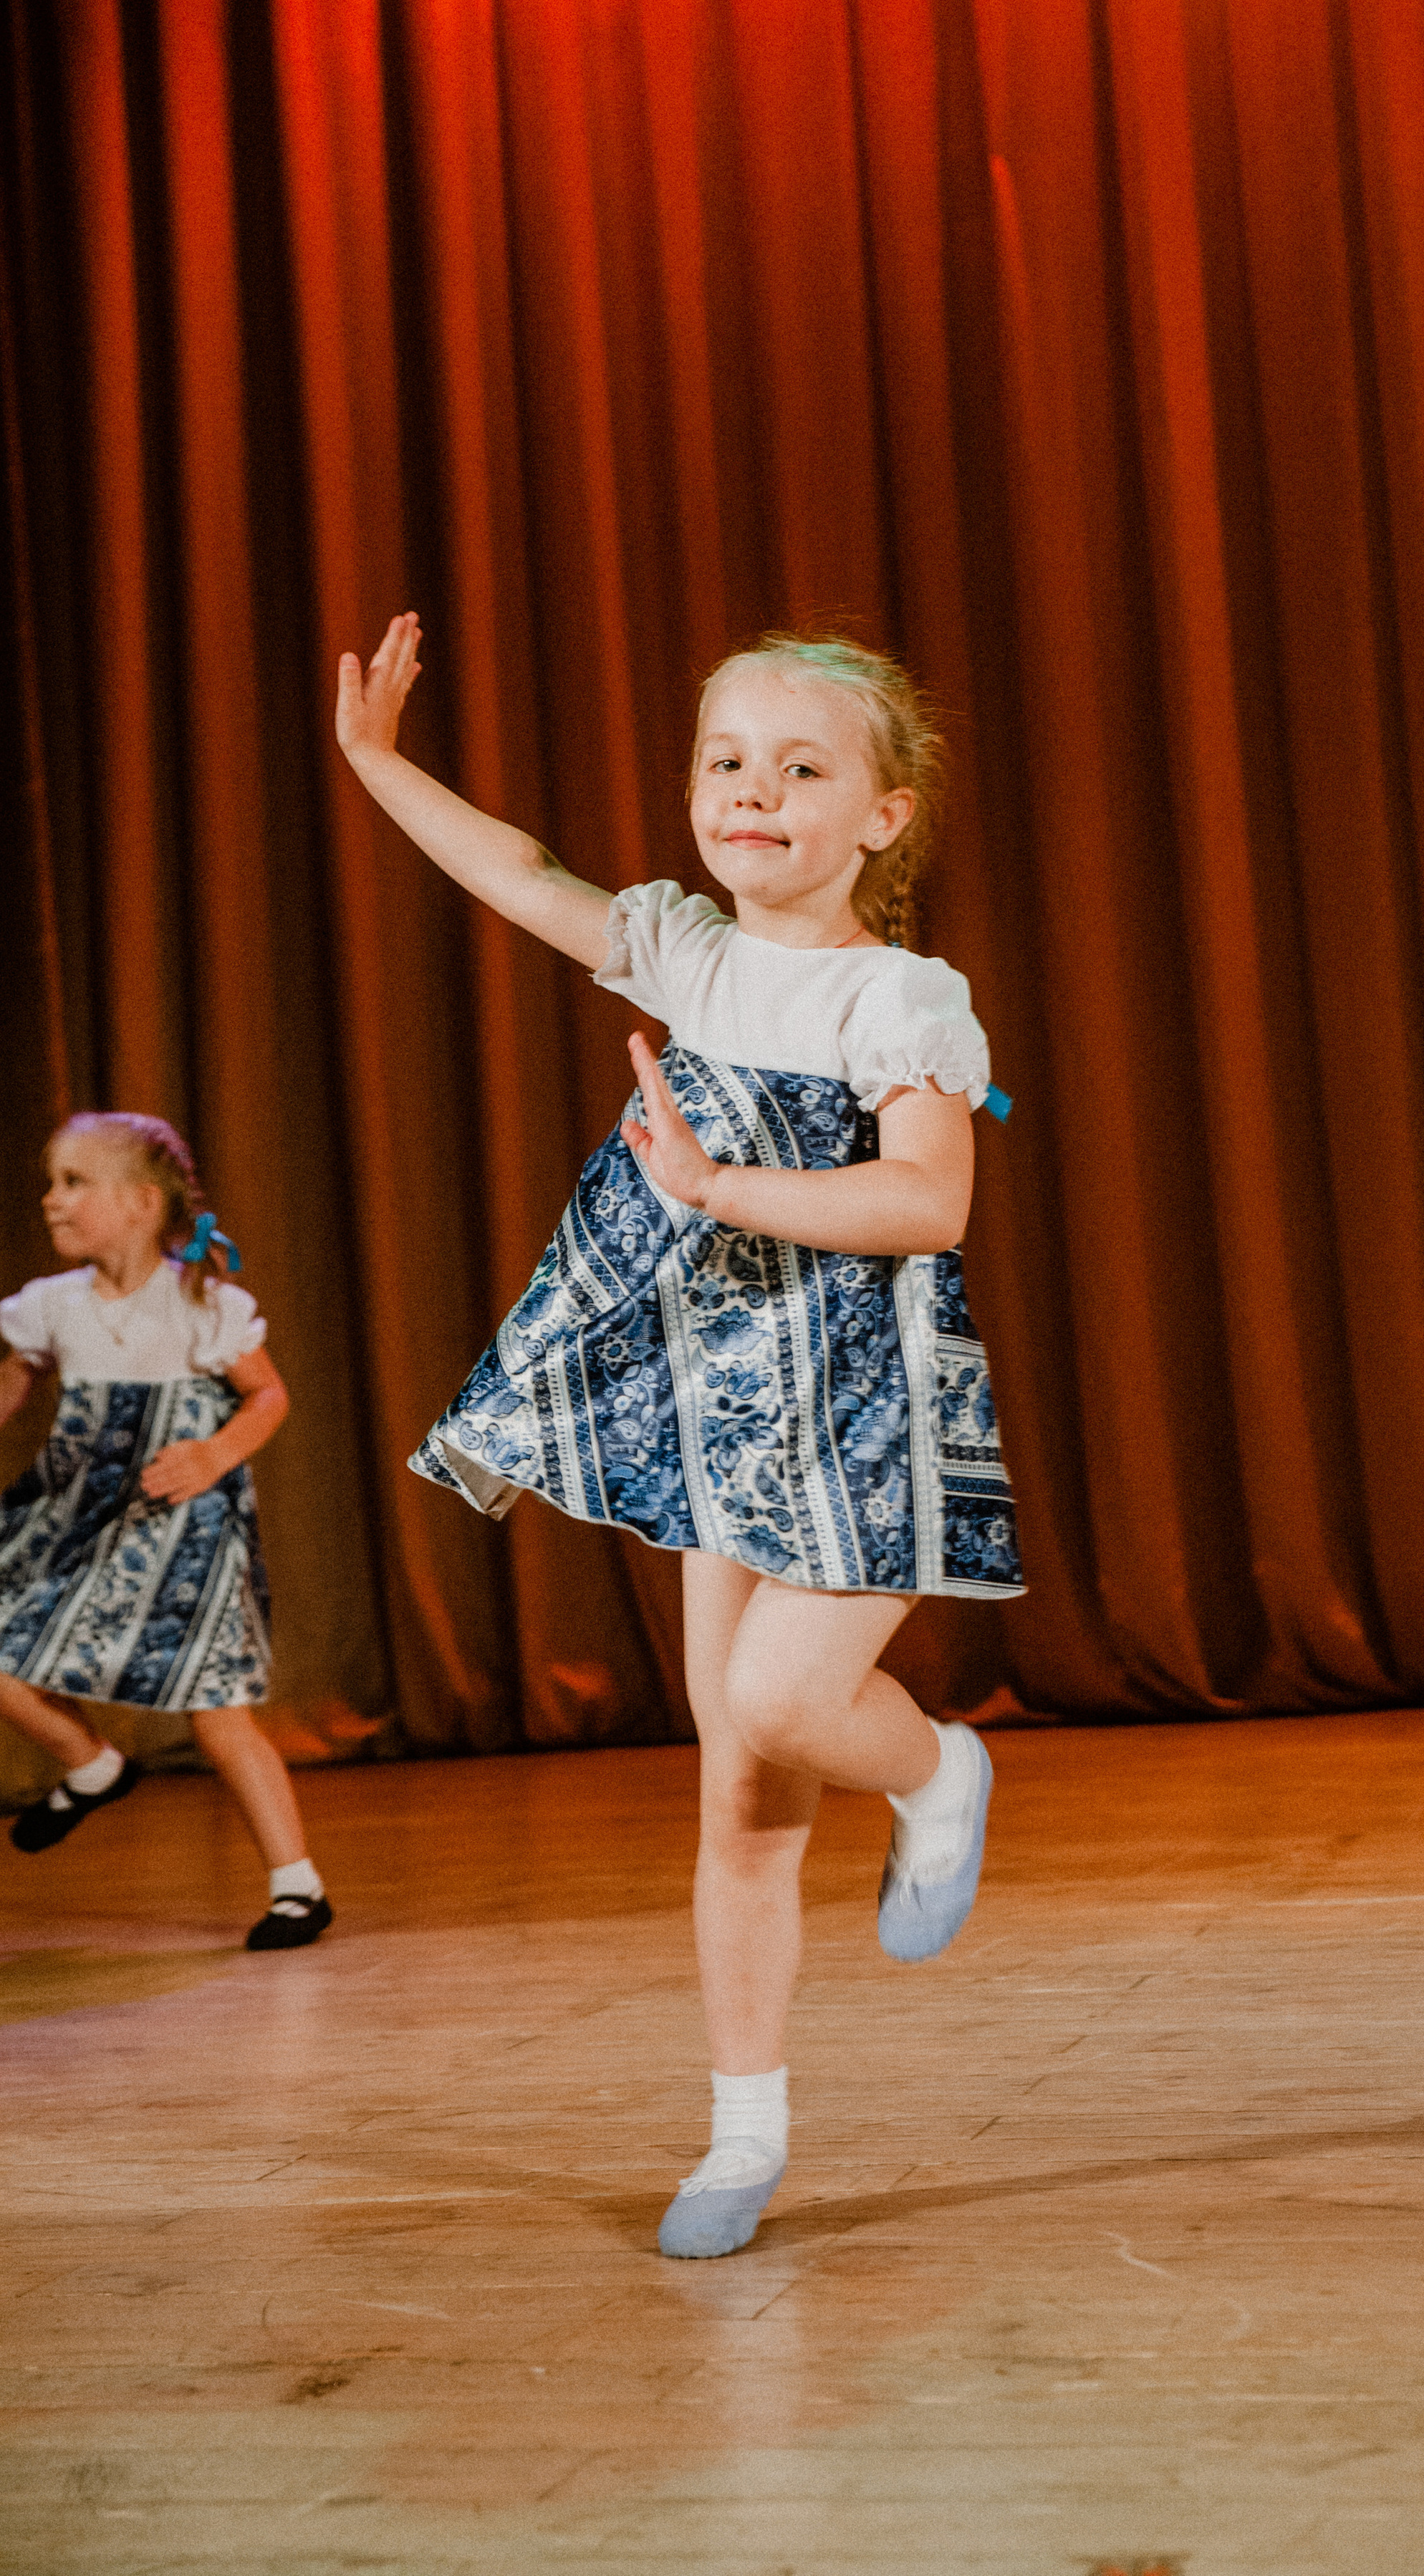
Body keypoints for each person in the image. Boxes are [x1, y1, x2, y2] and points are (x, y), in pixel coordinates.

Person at [337, 612, 1023, 2257]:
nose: (752, 791)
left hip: (860, 1404)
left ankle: (941, 1769)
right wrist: (372, 760)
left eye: (800, 768)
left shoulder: (896, 995)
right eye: (726, 760)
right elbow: (519, 869)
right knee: (740, 1785)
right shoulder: (682, 951)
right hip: (720, 1405)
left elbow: (926, 1203)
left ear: (881, 815)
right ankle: (741, 2132)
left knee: (781, 1698)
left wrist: (719, 1184)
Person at [0, 1112, 332, 1950]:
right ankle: (92, 1764)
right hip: (81, 1515)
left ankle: (298, 1887)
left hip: (186, 1525)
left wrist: (214, 1453)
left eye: (75, 1182)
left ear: (142, 1204)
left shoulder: (201, 1306)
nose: (52, 1199)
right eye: (51, 1182)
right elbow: (14, 1380)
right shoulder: (51, 1307)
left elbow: (267, 1395)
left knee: (217, 1712)